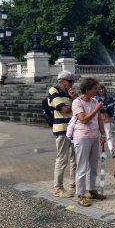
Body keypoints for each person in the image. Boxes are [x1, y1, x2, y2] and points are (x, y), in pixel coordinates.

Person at [72, 77, 106, 207]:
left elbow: (99, 119)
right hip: (82, 137)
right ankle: (80, 194)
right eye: (95, 88)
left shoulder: (94, 101)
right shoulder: (77, 102)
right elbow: (83, 120)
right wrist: (96, 109)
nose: (97, 89)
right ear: (87, 89)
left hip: (94, 136)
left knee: (93, 165)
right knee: (82, 166)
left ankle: (91, 190)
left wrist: (103, 134)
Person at [49, 70, 78, 198]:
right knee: (62, 159)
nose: (72, 84)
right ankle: (58, 188)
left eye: (72, 81)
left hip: (73, 129)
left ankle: (73, 183)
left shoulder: (69, 93)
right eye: (69, 81)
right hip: (62, 129)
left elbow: (80, 106)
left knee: (75, 158)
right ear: (61, 81)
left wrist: (75, 98)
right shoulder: (53, 91)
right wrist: (74, 101)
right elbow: (65, 110)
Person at [95, 84, 115, 158]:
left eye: (102, 89)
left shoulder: (109, 97)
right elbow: (95, 108)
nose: (101, 90)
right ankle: (96, 152)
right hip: (98, 119)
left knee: (108, 135)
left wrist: (102, 107)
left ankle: (111, 150)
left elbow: (111, 106)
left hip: (107, 118)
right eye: (99, 89)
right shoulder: (95, 98)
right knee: (97, 136)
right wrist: (102, 107)